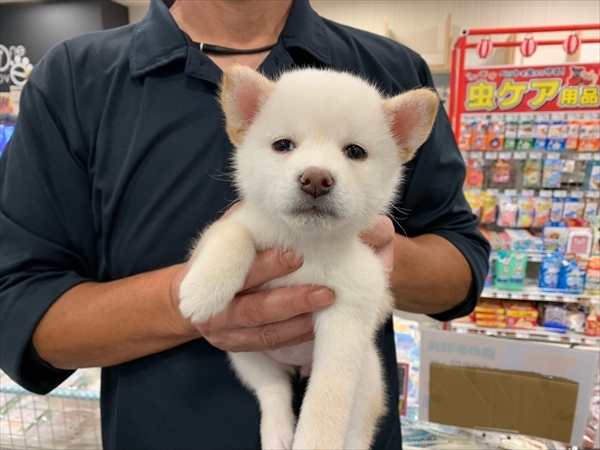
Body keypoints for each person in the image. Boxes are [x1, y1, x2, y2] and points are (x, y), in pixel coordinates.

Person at [0, 0, 490, 448]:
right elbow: (17, 305)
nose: (317, 175)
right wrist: (182, 302)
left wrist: (366, 264)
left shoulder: (391, 68)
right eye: (283, 145)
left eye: (355, 152)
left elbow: (462, 265)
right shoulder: (74, 78)